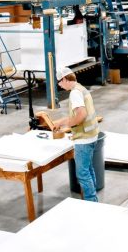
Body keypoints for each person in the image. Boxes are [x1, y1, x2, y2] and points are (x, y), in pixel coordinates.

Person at [53, 67, 100, 201]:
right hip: (91, 135)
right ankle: (93, 199)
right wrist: (62, 121)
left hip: (84, 139)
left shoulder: (74, 93)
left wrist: (67, 126)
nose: (60, 86)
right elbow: (79, 114)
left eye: (59, 82)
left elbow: (81, 115)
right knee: (89, 169)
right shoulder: (81, 88)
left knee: (83, 174)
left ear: (64, 79)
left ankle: (91, 202)